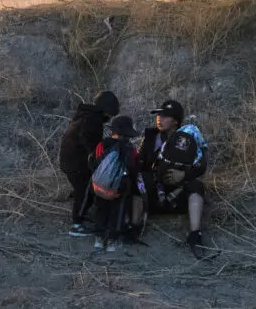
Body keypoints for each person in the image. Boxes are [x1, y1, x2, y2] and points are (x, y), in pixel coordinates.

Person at [133, 99, 209, 256]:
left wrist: (184, 175)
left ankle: (195, 234)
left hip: (177, 191)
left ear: (175, 121)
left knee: (196, 186)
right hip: (153, 188)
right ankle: (134, 227)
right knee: (137, 182)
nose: (159, 119)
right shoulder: (150, 136)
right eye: (158, 115)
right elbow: (139, 162)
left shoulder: (187, 137)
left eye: (165, 116)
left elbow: (201, 164)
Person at [58, 90, 120, 237]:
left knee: (83, 188)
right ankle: (77, 225)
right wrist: (96, 159)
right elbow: (89, 143)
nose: (110, 118)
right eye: (110, 114)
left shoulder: (85, 116)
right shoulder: (93, 120)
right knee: (85, 191)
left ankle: (82, 214)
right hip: (76, 162)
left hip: (68, 160)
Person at [88, 115, 140, 252]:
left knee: (100, 210)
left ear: (113, 131)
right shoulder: (130, 149)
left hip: (99, 187)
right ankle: (112, 240)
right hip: (118, 190)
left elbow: (94, 163)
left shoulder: (102, 144)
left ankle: (98, 239)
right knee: (117, 212)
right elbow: (133, 169)